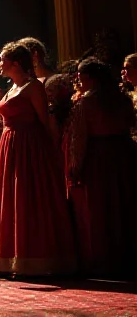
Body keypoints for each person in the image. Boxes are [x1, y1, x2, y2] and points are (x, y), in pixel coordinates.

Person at [0, 42, 76, 276]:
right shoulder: (11, 88)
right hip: (9, 145)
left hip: (29, 147)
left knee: (26, 198)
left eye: (2, 60)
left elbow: (43, 120)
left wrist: (52, 152)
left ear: (15, 63)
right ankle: (12, 258)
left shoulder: (32, 86)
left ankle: (35, 258)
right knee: (10, 199)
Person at [66, 58, 137, 275]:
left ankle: (102, 260)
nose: (78, 80)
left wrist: (75, 167)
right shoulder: (122, 98)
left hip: (97, 156)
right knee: (123, 204)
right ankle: (127, 256)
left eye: (80, 76)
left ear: (90, 78)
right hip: (122, 153)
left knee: (99, 208)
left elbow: (79, 138)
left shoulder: (85, 103)